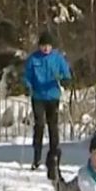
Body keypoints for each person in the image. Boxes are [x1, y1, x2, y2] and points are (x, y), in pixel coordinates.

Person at [23, 30, 72, 173]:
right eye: (43, 46)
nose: (46, 48)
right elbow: (27, 76)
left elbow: (66, 73)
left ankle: (53, 157)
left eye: (48, 46)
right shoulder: (33, 59)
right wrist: (27, 86)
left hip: (53, 96)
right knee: (39, 125)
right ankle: (36, 156)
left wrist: (65, 79)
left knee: (53, 126)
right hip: (38, 96)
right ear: (39, 46)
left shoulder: (57, 58)